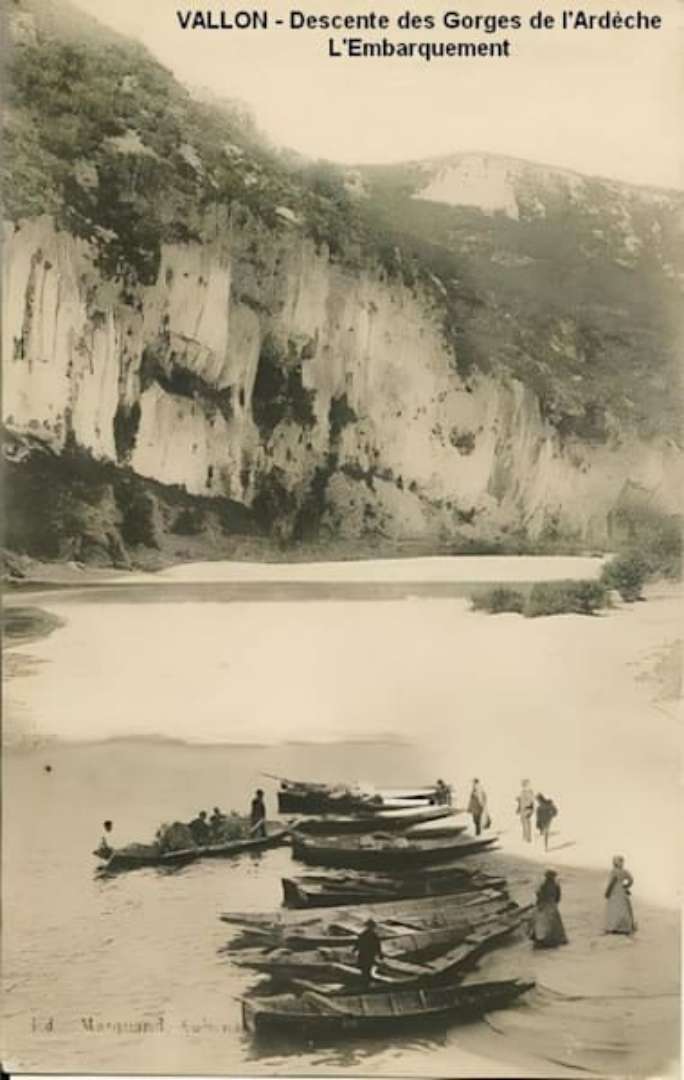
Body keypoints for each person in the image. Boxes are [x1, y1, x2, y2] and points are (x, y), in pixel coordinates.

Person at [530, 869, 568, 948]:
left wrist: (539, 903)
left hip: (545, 905)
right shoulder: (556, 885)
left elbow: (539, 895)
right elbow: (558, 898)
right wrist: (553, 903)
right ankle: (552, 940)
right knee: (551, 923)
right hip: (551, 905)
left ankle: (542, 939)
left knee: (542, 922)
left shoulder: (543, 885)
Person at [605, 855, 637, 934]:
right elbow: (631, 880)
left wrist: (607, 893)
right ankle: (625, 927)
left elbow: (611, 883)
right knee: (624, 908)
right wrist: (626, 886)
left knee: (614, 908)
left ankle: (614, 927)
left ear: (614, 863)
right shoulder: (625, 871)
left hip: (614, 891)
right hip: (622, 890)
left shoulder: (614, 871)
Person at [354, 918, 383, 987]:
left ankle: (364, 982)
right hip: (369, 954)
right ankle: (366, 983)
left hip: (364, 954)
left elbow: (358, 943)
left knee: (364, 969)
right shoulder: (373, 935)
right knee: (367, 968)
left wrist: (355, 949)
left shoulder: (363, 934)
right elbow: (377, 946)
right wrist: (380, 954)